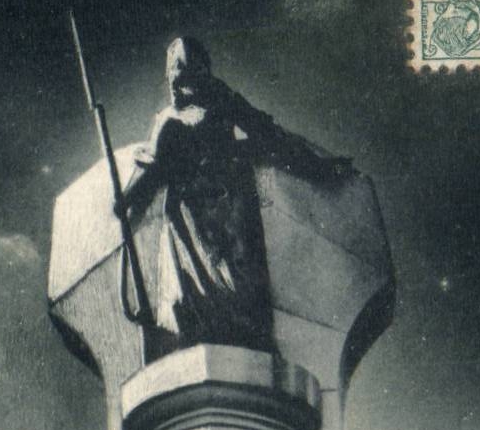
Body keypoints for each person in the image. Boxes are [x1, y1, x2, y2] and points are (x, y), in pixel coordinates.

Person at [117, 36, 352, 354]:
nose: (183, 77)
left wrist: (318, 166)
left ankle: (252, 348)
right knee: (200, 302)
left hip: (234, 209)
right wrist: (127, 200)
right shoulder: (167, 121)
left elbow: (269, 136)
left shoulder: (223, 101)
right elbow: (154, 171)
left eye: (191, 67)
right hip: (192, 222)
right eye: (177, 69)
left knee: (246, 292)